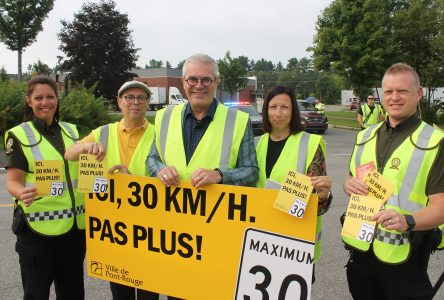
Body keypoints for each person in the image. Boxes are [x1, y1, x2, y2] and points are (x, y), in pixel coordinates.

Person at [343, 63, 444, 299]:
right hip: (359, 253)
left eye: (402, 91)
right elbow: (350, 175)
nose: (394, 98)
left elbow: (441, 207)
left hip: (404, 259)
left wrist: (407, 220)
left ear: (418, 94)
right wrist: (347, 183)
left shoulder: (435, 142)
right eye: (389, 92)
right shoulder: (364, 136)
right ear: (381, 94)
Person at [64, 81, 159, 300]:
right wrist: (86, 147)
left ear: (147, 103)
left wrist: (134, 182)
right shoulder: (102, 133)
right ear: (119, 102)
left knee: (148, 293)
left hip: (149, 226)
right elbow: (69, 153)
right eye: (129, 97)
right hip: (115, 229)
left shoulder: (159, 134)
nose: (135, 102)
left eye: (141, 98)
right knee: (121, 293)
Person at [4, 75, 86, 299]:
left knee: (73, 293)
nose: (45, 102)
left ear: (57, 100)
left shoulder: (72, 132)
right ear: (28, 101)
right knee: (36, 294)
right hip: (37, 232)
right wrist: (21, 192)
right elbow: (12, 181)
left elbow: (85, 171)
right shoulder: (19, 136)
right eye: (38, 97)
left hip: (74, 230)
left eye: (50, 96)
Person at [147, 53, 258, 189]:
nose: (199, 86)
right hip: (172, 207)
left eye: (206, 80)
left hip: (215, 208)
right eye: (192, 79)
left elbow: (251, 171)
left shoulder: (238, 120)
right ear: (183, 81)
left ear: (216, 81)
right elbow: (152, 158)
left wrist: (220, 176)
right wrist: (160, 170)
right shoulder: (165, 116)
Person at [256, 86, 332, 278]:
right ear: (265, 110)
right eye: (273, 107)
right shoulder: (256, 143)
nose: (278, 113)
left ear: (293, 111)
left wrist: (323, 195)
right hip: (259, 240)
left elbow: (318, 203)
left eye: (284, 107)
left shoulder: (310, 143)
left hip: (295, 243)